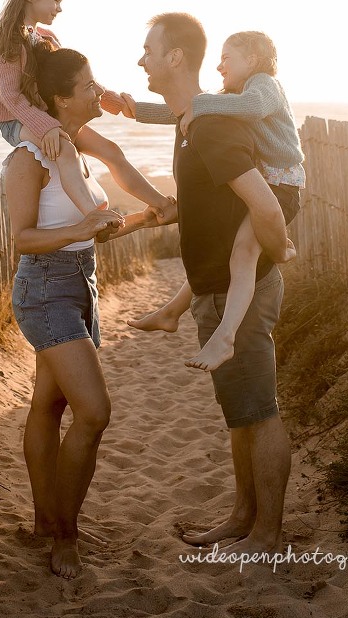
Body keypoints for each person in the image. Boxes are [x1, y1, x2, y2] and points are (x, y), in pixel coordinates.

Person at [3, 42, 177, 578]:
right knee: (95, 412)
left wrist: (142, 222)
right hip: (44, 290)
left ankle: (43, 522)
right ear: (60, 97)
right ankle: (65, 536)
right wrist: (80, 228)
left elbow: (91, 237)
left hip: (80, 284)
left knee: (49, 408)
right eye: (88, 85)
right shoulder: (26, 157)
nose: (97, 91)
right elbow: (21, 239)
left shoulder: (73, 150)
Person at [136, 12, 291, 556]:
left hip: (239, 295)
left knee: (259, 409)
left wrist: (277, 252)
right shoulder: (191, 123)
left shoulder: (213, 124)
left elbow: (267, 204)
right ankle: (243, 517)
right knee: (238, 413)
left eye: (149, 51)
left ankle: (267, 534)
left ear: (176, 57)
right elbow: (210, 204)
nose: (141, 61)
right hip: (214, 290)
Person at [121, 30, 303, 374]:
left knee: (243, 253)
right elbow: (186, 111)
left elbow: (243, 108)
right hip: (268, 181)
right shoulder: (235, 92)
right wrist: (137, 111)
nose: (218, 66)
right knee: (228, 250)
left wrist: (200, 105)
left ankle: (226, 336)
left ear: (252, 60)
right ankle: (172, 311)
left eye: (226, 58)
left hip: (282, 186)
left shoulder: (264, 84)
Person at [0, 0, 126, 217]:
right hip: (16, 122)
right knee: (65, 151)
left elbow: (71, 77)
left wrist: (112, 101)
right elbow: (11, 98)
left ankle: (163, 206)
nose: (59, 8)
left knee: (110, 150)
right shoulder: (7, 43)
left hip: (44, 118)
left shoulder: (46, 38)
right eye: (55, 0)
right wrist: (47, 126)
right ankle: (93, 216)